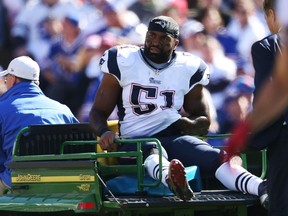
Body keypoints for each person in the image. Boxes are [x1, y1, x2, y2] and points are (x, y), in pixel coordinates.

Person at [89, 15, 267, 203]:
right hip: (135, 141)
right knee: (151, 150)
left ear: (176, 43)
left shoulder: (188, 67)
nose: (155, 42)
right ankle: (172, 180)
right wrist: (103, 131)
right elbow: (97, 113)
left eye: (164, 38)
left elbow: (203, 121)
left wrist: (181, 122)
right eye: (152, 35)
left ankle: (261, 187)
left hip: (172, 138)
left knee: (216, 156)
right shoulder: (124, 60)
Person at [225, 0, 288, 214]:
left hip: (284, 140)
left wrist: (246, 135)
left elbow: (274, 93)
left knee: (281, 206)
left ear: (272, 14)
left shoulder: (267, 46)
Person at [0, 56, 79, 194]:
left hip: (16, 182)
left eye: (6, 79)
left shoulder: (2, 109)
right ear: (36, 82)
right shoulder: (63, 109)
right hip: (62, 181)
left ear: (12, 79)